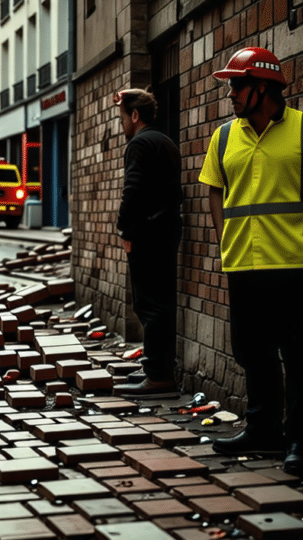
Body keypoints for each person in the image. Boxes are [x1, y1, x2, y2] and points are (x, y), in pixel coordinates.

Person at [199, 47, 303, 477]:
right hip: (244, 263)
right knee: (252, 351)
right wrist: (226, 238)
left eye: (237, 85)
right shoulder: (224, 136)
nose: (230, 94)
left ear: (262, 87)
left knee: (299, 356)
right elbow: (214, 189)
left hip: (298, 265)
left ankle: (302, 443)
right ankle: (263, 430)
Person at [108, 89, 183, 399]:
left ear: (135, 116)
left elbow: (133, 190)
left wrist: (125, 229)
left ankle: (159, 377)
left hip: (148, 233)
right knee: (161, 303)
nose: (121, 124)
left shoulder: (139, 143)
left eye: (122, 117)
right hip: (165, 230)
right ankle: (156, 369)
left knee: (149, 305)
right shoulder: (165, 141)